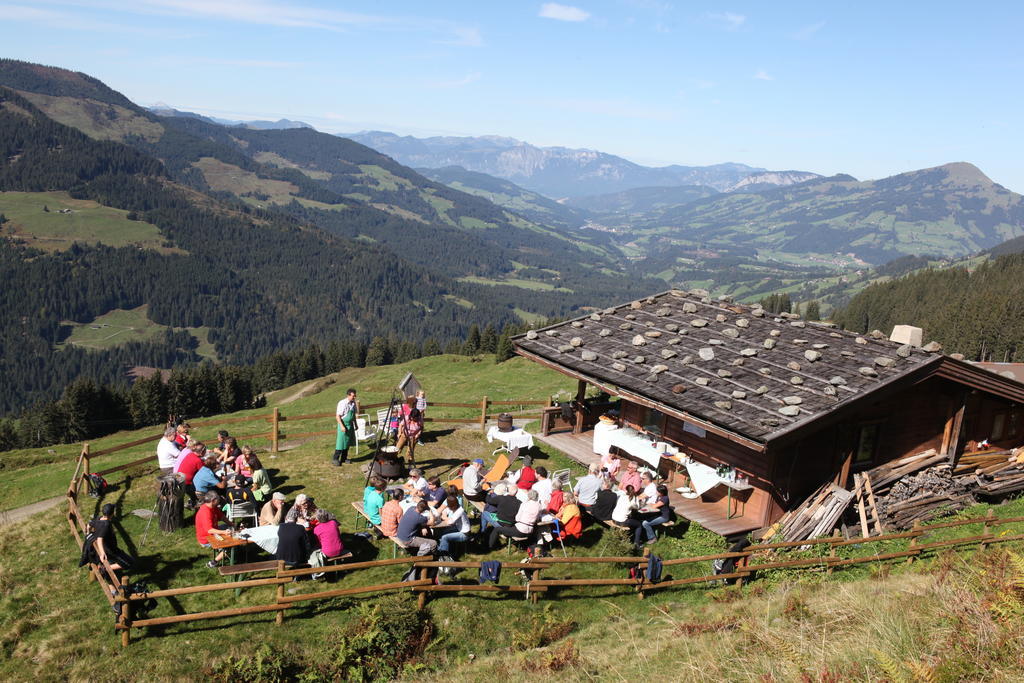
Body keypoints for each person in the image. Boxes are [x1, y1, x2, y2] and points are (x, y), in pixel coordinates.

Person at [86, 503, 135, 572]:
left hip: (106, 548)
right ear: (112, 514)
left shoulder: (98, 519)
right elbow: (100, 539)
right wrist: (102, 553)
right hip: (110, 550)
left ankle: (106, 566)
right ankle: (104, 568)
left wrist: (88, 533)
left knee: (126, 558)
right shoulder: (106, 525)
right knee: (129, 562)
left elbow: (88, 525)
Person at [195, 491, 231, 568]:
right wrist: (224, 532)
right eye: (218, 499)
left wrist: (231, 524)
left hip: (214, 531)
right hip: (207, 538)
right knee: (231, 548)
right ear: (213, 500)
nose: (219, 500)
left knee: (229, 528)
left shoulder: (213, 507)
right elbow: (209, 530)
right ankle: (214, 562)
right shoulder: (205, 512)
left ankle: (222, 549)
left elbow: (221, 517)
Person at [176, 441, 205, 508]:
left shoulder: (190, 455)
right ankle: (196, 504)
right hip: (187, 483)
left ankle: (193, 501)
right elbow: (204, 472)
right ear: (202, 452)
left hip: (179, 479)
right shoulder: (198, 460)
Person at [333, 388, 358, 466]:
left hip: (350, 425)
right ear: (348, 395)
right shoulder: (342, 403)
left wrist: (355, 424)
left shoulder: (353, 403)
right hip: (343, 425)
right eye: (353, 396)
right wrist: (342, 426)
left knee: (347, 443)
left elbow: (353, 415)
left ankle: (344, 458)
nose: (354, 397)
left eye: (355, 396)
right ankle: (335, 459)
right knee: (340, 443)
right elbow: (337, 416)